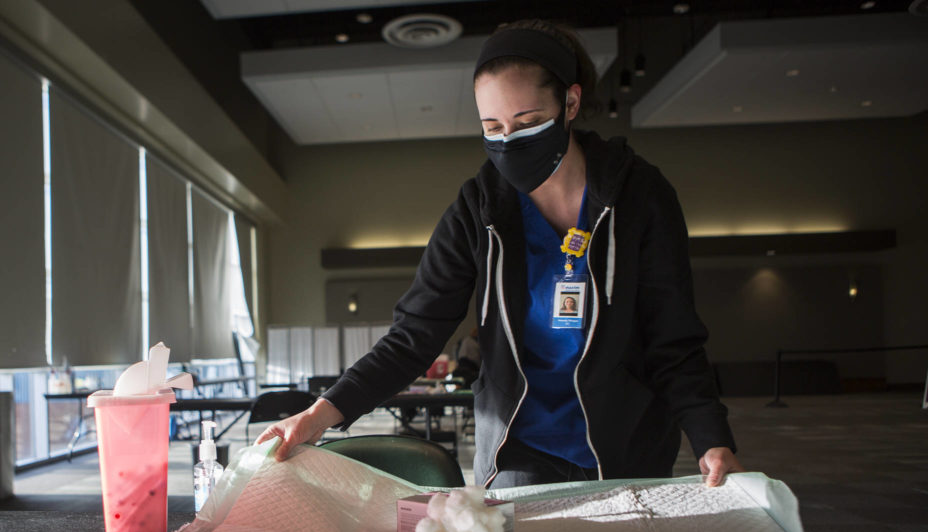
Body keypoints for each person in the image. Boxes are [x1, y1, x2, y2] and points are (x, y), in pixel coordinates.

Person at [259, 19, 743, 488]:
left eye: (528, 122)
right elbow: (413, 336)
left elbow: (673, 338)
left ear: (571, 102)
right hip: (520, 447)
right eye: (492, 126)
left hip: (626, 445)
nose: (509, 141)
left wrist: (710, 437)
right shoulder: (479, 209)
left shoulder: (639, 196)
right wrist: (318, 415)